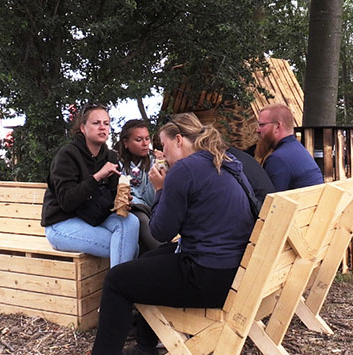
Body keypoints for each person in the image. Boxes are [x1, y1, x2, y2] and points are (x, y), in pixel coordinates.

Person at [91, 112, 255, 355]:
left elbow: (160, 231)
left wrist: (160, 189)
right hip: (235, 270)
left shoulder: (185, 169)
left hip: (209, 277)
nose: (163, 153)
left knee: (116, 280)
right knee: (148, 261)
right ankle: (146, 347)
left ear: (179, 140)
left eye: (164, 146)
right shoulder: (224, 160)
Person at [40, 104, 140, 267]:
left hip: (91, 217)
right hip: (61, 223)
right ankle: (118, 289)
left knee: (131, 222)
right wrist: (98, 177)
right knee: (127, 247)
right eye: (96, 123)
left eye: (106, 123)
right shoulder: (67, 155)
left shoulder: (109, 156)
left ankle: (117, 288)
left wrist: (123, 200)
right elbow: (67, 201)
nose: (102, 127)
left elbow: (114, 194)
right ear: (83, 128)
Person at [116, 119, 161, 254]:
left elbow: (153, 198)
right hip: (128, 211)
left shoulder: (155, 161)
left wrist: (157, 171)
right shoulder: (116, 163)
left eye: (147, 139)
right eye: (139, 139)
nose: (145, 143)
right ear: (126, 143)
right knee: (137, 218)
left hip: (152, 210)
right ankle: (166, 253)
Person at [255, 103, 324, 191]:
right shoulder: (297, 149)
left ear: (277, 126)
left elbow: (272, 202)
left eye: (262, 125)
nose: (257, 130)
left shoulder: (278, 159)